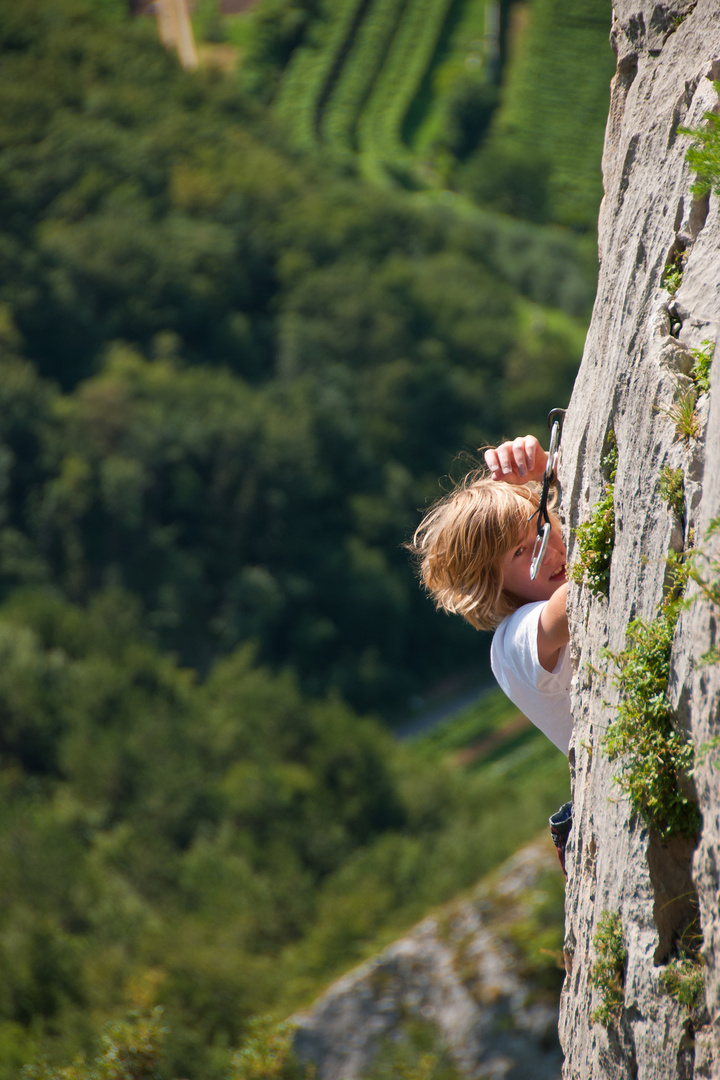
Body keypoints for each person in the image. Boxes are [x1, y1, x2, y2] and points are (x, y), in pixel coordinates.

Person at [409, 433, 573, 872]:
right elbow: (575, 605)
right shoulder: (512, 642)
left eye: (543, 526)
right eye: (522, 552)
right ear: (493, 587)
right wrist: (562, 472)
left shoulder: (560, 547)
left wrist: (547, 468)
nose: (550, 548)